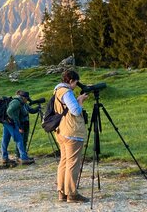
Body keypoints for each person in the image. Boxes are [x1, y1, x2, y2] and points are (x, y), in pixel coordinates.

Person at [54, 70, 89, 203]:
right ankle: (72, 194)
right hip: (72, 132)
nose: (75, 85)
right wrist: (80, 100)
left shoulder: (57, 91)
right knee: (72, 163)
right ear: (70, 81)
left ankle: (62, 192)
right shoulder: (67, 92)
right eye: (75, 82)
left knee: (64, 162)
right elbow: (75, 110)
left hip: (61, 130)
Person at [1, 91, 35, 166]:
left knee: (5, 139)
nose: (27, 101)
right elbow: (9, 111)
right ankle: (23, 158)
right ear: (23, 98)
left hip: (6, 121)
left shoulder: (18, 101)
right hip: (11, 123)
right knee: (19, 139)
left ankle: (5, 158)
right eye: (27, 99)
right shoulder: (17, 102)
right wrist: (14, 120)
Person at [15, 90, 39, 160]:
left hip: (26, 123)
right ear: (22, 98)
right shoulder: (18, 104)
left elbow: (31, 111)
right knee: (20, 140)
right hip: (20, 124)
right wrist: (18, 126)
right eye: (26, 98)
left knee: (25, 140)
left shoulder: (25, 104)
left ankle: (23, 154)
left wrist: (37, 108)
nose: (27, 100)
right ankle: (18, 155)